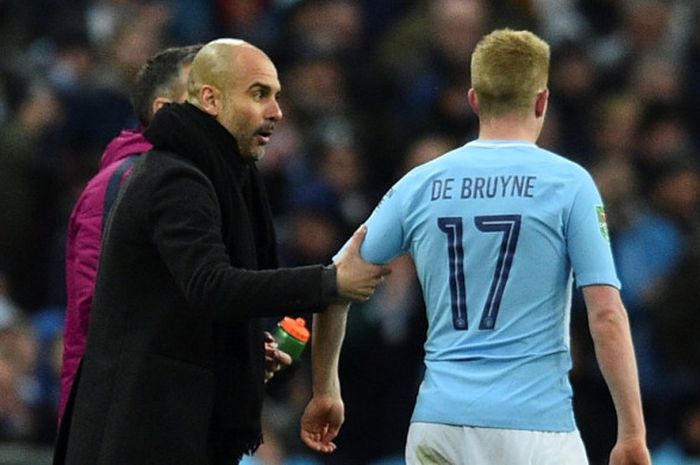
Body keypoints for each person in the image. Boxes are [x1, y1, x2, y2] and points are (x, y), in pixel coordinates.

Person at [301, 29, 651, 465]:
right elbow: (606, 314)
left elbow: (333, 283)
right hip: (534, 429)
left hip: (438, 425)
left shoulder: (422, 182)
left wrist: (325, 389)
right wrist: (632, 432)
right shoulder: (569, 183)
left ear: (473, 100)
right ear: (542, 101)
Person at [52, 38, 389, 465]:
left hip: (174, 426)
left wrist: (238, 349)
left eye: (277, 96)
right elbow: (209, 284)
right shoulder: (177, 179)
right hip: (140, 435)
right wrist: (329, 281)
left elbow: (175, 303)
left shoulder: (214, 177)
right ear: (210, 99)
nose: (276, 112)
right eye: (259, 93)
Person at [59, 44, 201, 426]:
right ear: (164, 110)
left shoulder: (210, 190)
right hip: (118, 419)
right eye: (202, 92)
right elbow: (100, 311)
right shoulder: (122, 185)